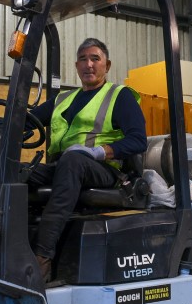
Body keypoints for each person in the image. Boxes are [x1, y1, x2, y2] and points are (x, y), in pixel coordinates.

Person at [28, 38, 147, 281]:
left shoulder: (119, 95)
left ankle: (42, 258)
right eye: (83, 59)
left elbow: (138, 140)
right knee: (18, 171)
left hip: (104, 168)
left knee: (73, 163)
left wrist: (98, 152)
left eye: (95, 59)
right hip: (65, 165)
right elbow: (29, 121)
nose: (88, 64)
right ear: (76, 65)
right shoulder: (63, 99)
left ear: (107, 65)